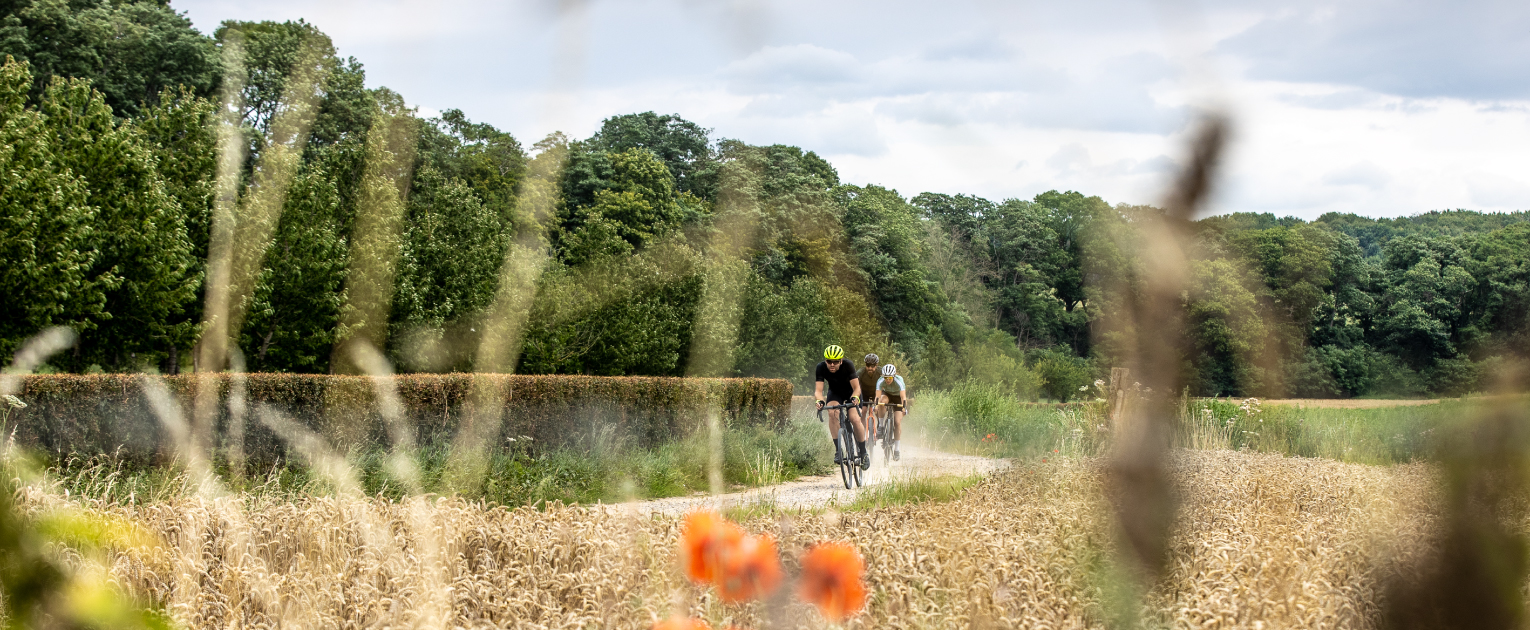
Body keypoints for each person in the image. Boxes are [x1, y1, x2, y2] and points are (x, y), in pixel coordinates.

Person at [814, 344, 868, 467]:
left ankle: (864, 453)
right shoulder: (820, 367)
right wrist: (819, 401)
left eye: (836, 362)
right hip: (835, 393)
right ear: (825, 361)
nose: (832, 364)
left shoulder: (848, 365)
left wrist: (855, 397)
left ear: (841, 361)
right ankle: (838, 451)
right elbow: (818, 391)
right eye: (829, 361)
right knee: (832, 413)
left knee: (854, 418)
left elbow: (856, 387)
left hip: (851, 393)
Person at [875, 363, 909, 461]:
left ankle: (897, 449)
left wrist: (904, 408)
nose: (888, 380)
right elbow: (877, 396)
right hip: (887, 395)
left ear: (893, 376)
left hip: (898, 397)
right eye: (886, 377)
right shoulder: (880, 381)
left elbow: (903, 397)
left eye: (890, 377)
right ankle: (881, 426)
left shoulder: (899, 381)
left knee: (897, 422)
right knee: (881, 402)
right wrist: (876, 406)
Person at [856, 353, 881, 434]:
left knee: (877, 410)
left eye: (872, 366)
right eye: (868, 365)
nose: (870, 368)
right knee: (863, 411)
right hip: (864, 393)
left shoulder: (881, 372)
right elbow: (854, 382)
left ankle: (880, 426)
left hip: (876, 393)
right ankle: (862, 431)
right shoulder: (861, 372)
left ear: (876, 365)